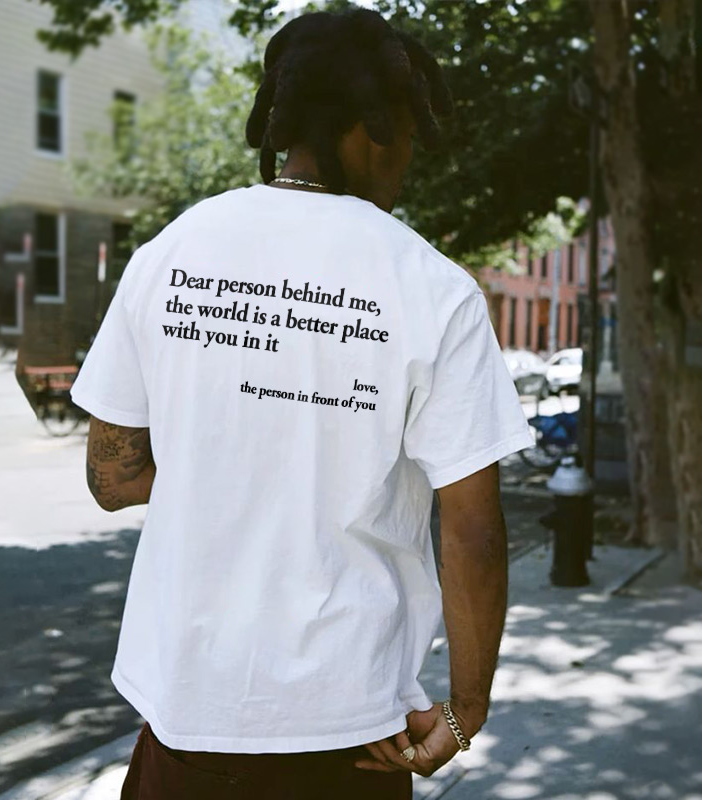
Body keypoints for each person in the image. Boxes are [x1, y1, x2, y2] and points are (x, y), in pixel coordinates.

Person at [69, 6, 534, 799]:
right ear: (373, 129)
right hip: (349, 739)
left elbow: (111, 479)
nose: (407, 161)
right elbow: (473, 528)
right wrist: (466, 709)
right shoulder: (433, 289)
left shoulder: (168, 255)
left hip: (186, 724)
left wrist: (226, 466)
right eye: (407, 136)